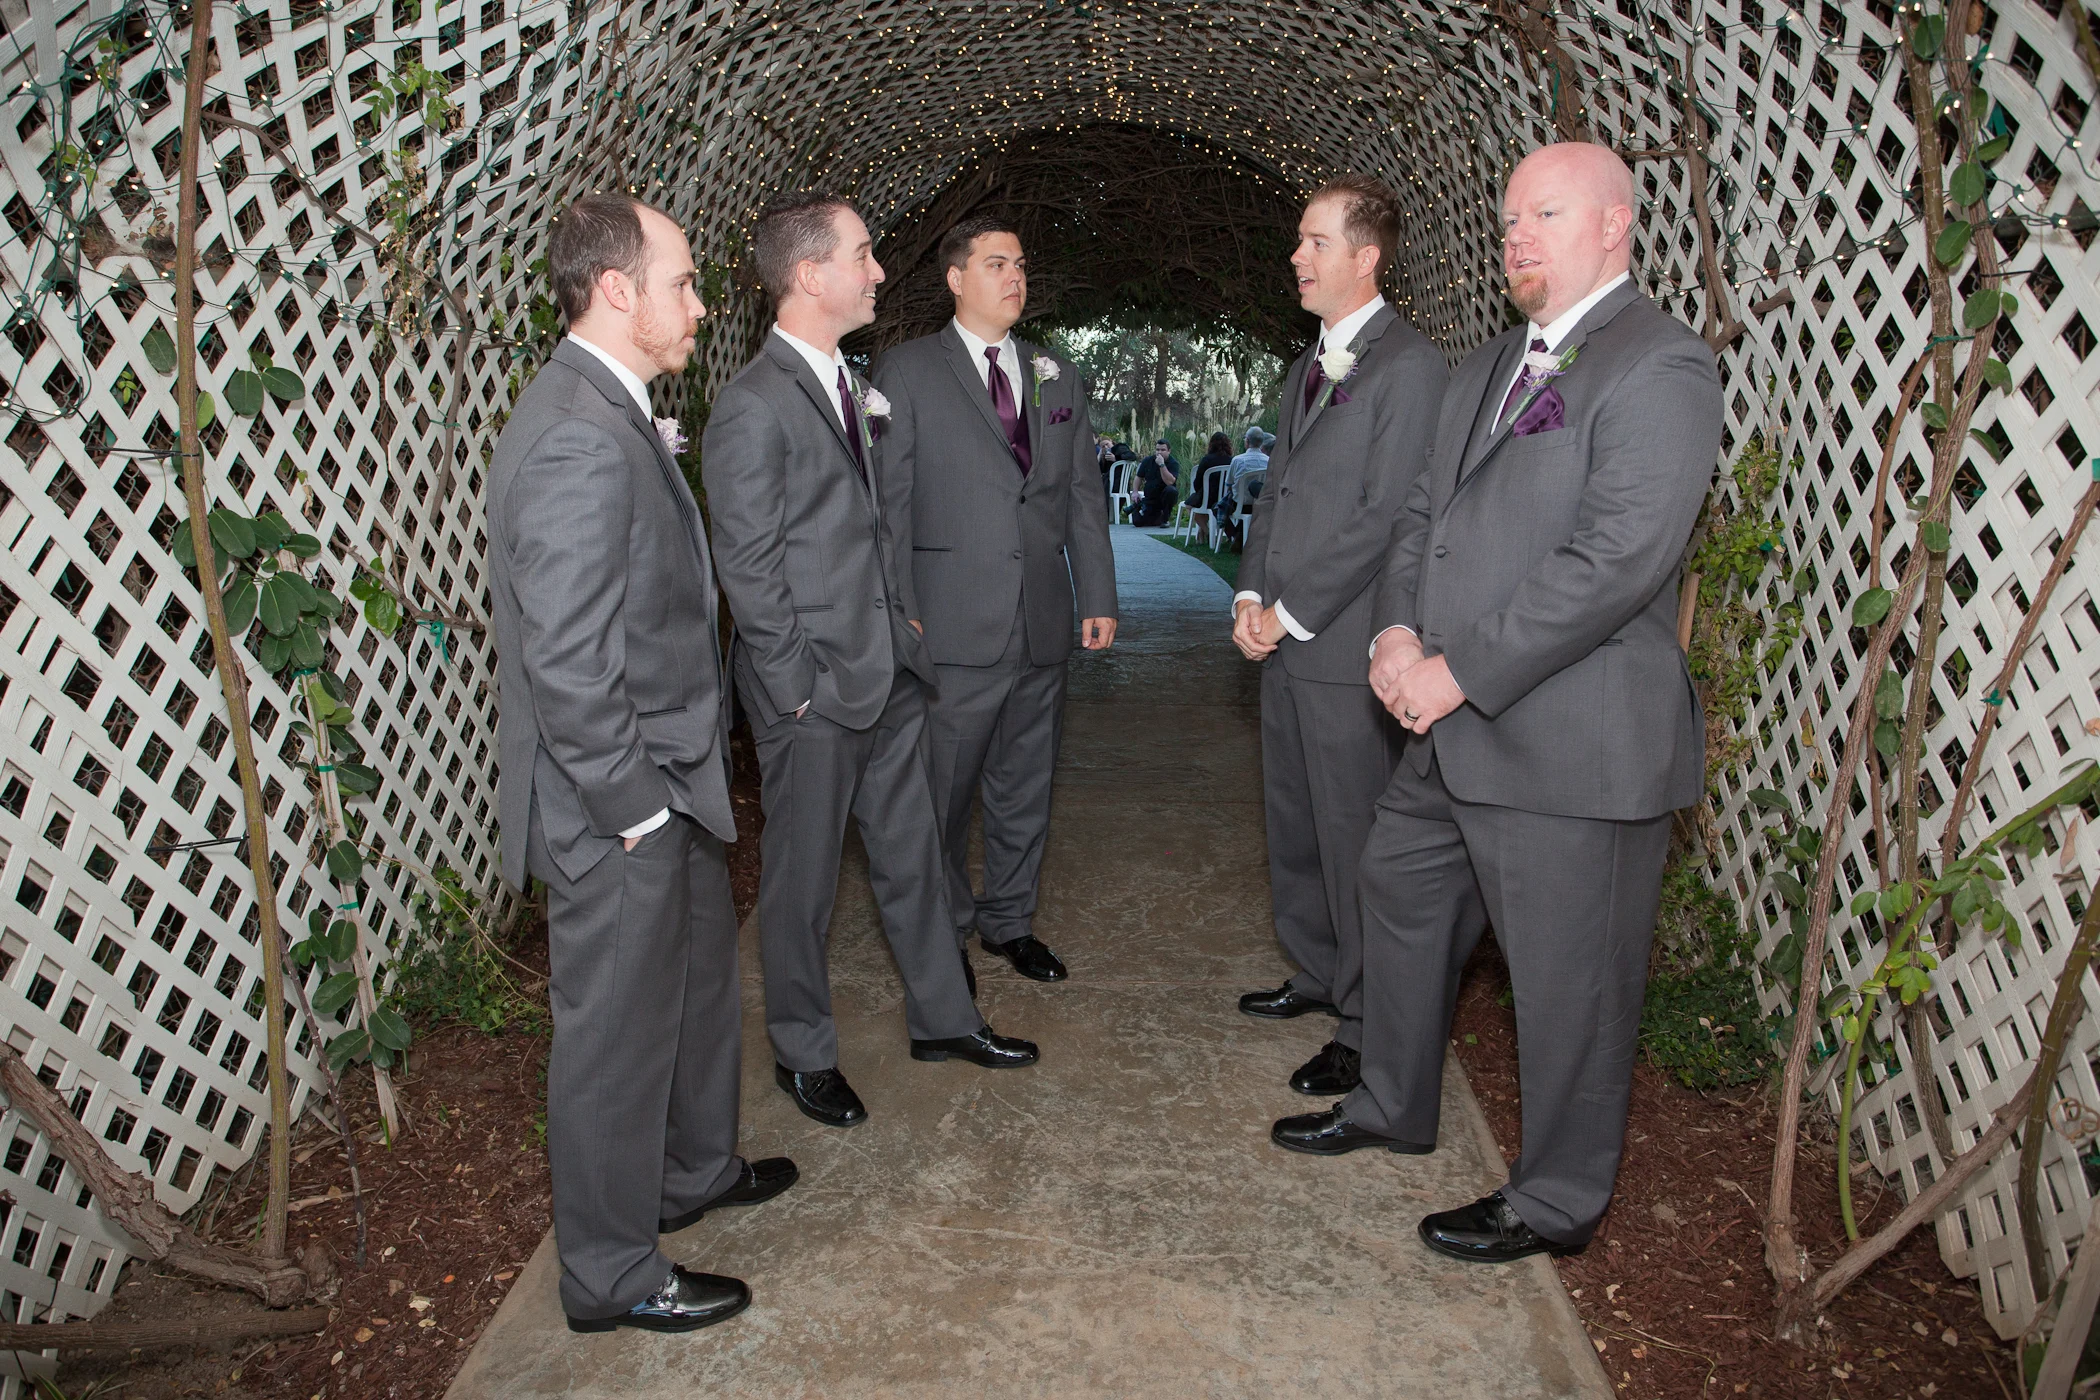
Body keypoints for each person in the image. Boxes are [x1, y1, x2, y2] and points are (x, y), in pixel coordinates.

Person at [1271, 143, 1723, 1268]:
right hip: (1451, 727)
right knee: (1396, 884)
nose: (1517, 236)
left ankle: (1556, 1201)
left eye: (1545, 215)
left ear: (1614, 226)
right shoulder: (1483, 368)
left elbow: (1615, 561)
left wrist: (1455, 670)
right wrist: (1393, 633)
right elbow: (1421, 518)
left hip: (1573, 742)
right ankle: (1392, 1100)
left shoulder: (1662, 364)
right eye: (1510, 218)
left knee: (1573, 988)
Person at [487, 194, 791, 1335]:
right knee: (614, 1041)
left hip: (673, 777)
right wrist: (635, 810)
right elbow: (568, 661)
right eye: (683, 283)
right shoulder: (576, 431)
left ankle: (692, 1170)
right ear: (617, 290)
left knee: (698, 989)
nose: (700, 305)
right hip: (617, 802)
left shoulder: (610, 409)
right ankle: (611, 1274)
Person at [701, 192, 1039, 1133]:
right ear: (811, 275)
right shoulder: (752, 404)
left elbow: (875, 525)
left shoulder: (848, 382)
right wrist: (797, 687)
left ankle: (945, 1019)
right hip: (813, 693)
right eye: (862, 256)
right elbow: (749, 566)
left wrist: (904, 636)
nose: (880, 272)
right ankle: (804, 1054)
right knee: (802, 887)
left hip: (889, 674)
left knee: (915, 859)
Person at [1231, 175, 1447, 1100]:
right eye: (1299, 241)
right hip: (1284, 641)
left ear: (1366, 258)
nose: (1297, 257)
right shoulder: (1306, 365)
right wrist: (1249, 594)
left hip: (1348, 648)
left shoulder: (1411, 366)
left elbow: (1386, 514)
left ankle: (1364, 1028)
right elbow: (1277, 493)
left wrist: (1292, 613)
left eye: (1315, 242)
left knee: (1356, 838)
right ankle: (1318, 972)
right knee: (1296, 826)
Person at [871, 215, 1118, 989]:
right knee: (941, 795)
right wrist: (900, 607)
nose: (1015, 277)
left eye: (1020, 264)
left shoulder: (1056, 372)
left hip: (1041, 620)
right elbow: (889, 503)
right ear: (956, 279)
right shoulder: (907, 370)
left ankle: (1010, 922)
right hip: (948, 624)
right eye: (996, 264)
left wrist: (1098, 592)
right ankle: (942, 932)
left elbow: (1082, 493)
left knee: (1024, 787)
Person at [1219, 426, 1270, 545]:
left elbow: (1229, 484)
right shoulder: (1268, 461)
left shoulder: (1237, 460)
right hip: (1260, 504)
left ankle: (1235, 535)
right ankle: (1240, 536)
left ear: (1247, 441)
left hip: (1239, 504)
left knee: (1218, 507)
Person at [1193, 430, 1234, 536]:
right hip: (1226, 499)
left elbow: (1197, 483)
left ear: (1211, 444)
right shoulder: (1232, 461)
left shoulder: (1206, 460)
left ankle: (1207, 532)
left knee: (1192, 508)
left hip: (1208, 498)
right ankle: (1203, 533)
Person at [1131, 439, 1180, 526]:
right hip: (1150, 498)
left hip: (1165, 497)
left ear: (1169, 451)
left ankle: (1165, 519)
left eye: (1163, 450)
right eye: (1157, 450)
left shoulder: (1173, 463)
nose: (1159, 452)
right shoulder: (1148, 460)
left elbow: (1169, 482)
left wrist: (1162, 465)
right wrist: (1135, 492)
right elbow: (1138, 477)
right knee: (1137, 522)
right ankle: (1156, 517)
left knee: (1171, 490)